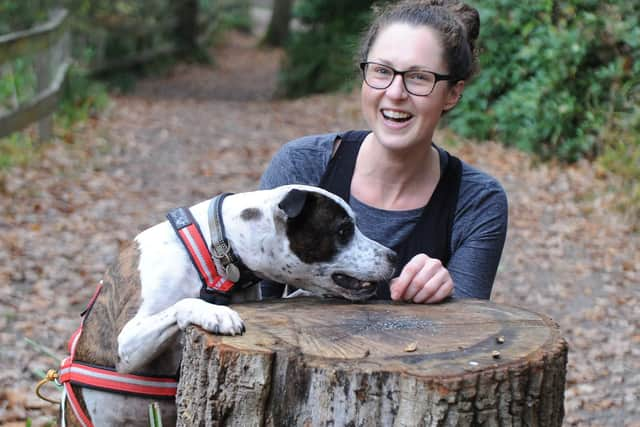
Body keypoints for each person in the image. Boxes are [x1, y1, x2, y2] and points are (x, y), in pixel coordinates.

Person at [259, 0, 508, 303]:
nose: (394, 93)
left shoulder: (477, 201)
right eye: (381, 71)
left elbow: (471, 333)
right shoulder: (302, 167)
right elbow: (253, 307)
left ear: (453, 93)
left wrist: (447, 296)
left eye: (419, 77)